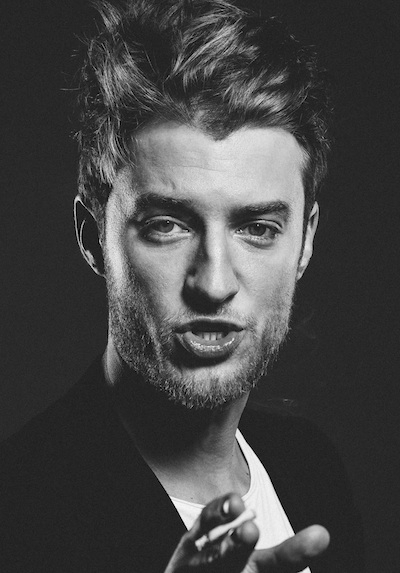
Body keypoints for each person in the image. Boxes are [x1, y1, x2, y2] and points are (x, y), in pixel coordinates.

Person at [0, 0, 364, 571]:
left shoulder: (312, 468)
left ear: (305, 241)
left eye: (258, 228)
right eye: (167, 225)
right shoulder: (18, 513)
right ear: (93, 236)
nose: (214, 284)